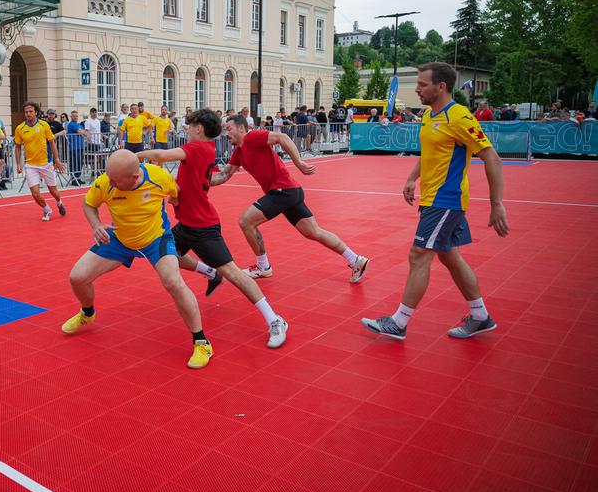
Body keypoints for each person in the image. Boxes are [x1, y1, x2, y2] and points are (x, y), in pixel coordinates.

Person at [362, 62, 509, 340]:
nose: (417, 89)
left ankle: (399, 322)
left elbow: (492, 158)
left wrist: (496, 203)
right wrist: (411, 178)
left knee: (419, 254)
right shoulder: (430, 115)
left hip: (446, 199)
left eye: (422, 84)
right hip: (432, 198)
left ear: (441, 86)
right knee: (449, 255)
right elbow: (429, 152)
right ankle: (480, 316)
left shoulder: (460, 117)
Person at [139, 109, 287, 348]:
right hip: (187, 223)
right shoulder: (205, 149)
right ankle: (211, 273)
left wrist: (133, 156)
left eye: (189, 126)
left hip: (203, 226)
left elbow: (162, 154)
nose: (186, 130)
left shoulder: (196, 148)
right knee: (164, 255)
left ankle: (275, 319)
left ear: (199, 129)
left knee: (233, 274)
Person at [64, 149, 214, 368]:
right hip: (119, 238)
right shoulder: (106, 181)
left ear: (134, 177)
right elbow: (89, 203)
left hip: (156, 239)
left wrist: (178, 206)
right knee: (77, 277)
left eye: (116, 181)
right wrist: (96, 225)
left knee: (173, 282)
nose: (110, 184)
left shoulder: (158, 177)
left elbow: (177, 193)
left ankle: (201, 342)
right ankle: (87, 313)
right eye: (109, 178)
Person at [211, 115, 371, 283]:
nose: (225, 133)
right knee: (313, 232)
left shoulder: (252, 137)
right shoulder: (239, 151)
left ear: (241, 128)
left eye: (228, 129)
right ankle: (356, 259)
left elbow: (282, 137)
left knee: (246, 221)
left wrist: (298, 162)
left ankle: (263, 266)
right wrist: (201, 183)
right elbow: (224, 174)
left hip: (283, 191)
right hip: (290, 191)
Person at [14, 102, 66, 221]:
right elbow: (18, 146)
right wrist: (18, 163)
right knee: (35, 193)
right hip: (30, 165)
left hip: (46, 163)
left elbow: (52, 143)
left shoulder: (44, 125)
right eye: (26, 112)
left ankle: (59, 202)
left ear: (36, 112)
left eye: (31, 111)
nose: (28, 114)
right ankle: (47, 209)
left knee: (53, 191)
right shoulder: (20, 128)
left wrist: (57, 159)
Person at [65, 110, 89, 186]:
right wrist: (83, 132)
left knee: (80, 163)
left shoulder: (79, 124)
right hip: (73, 147)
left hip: (80, 147)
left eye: (76, 116)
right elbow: (81, 132)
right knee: (74, 163)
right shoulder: (71, 124)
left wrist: (83, 132)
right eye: (74, 116)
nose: (75, 117)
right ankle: (74, 179)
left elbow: (85, 133)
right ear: (71, 117)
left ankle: (78, 178)